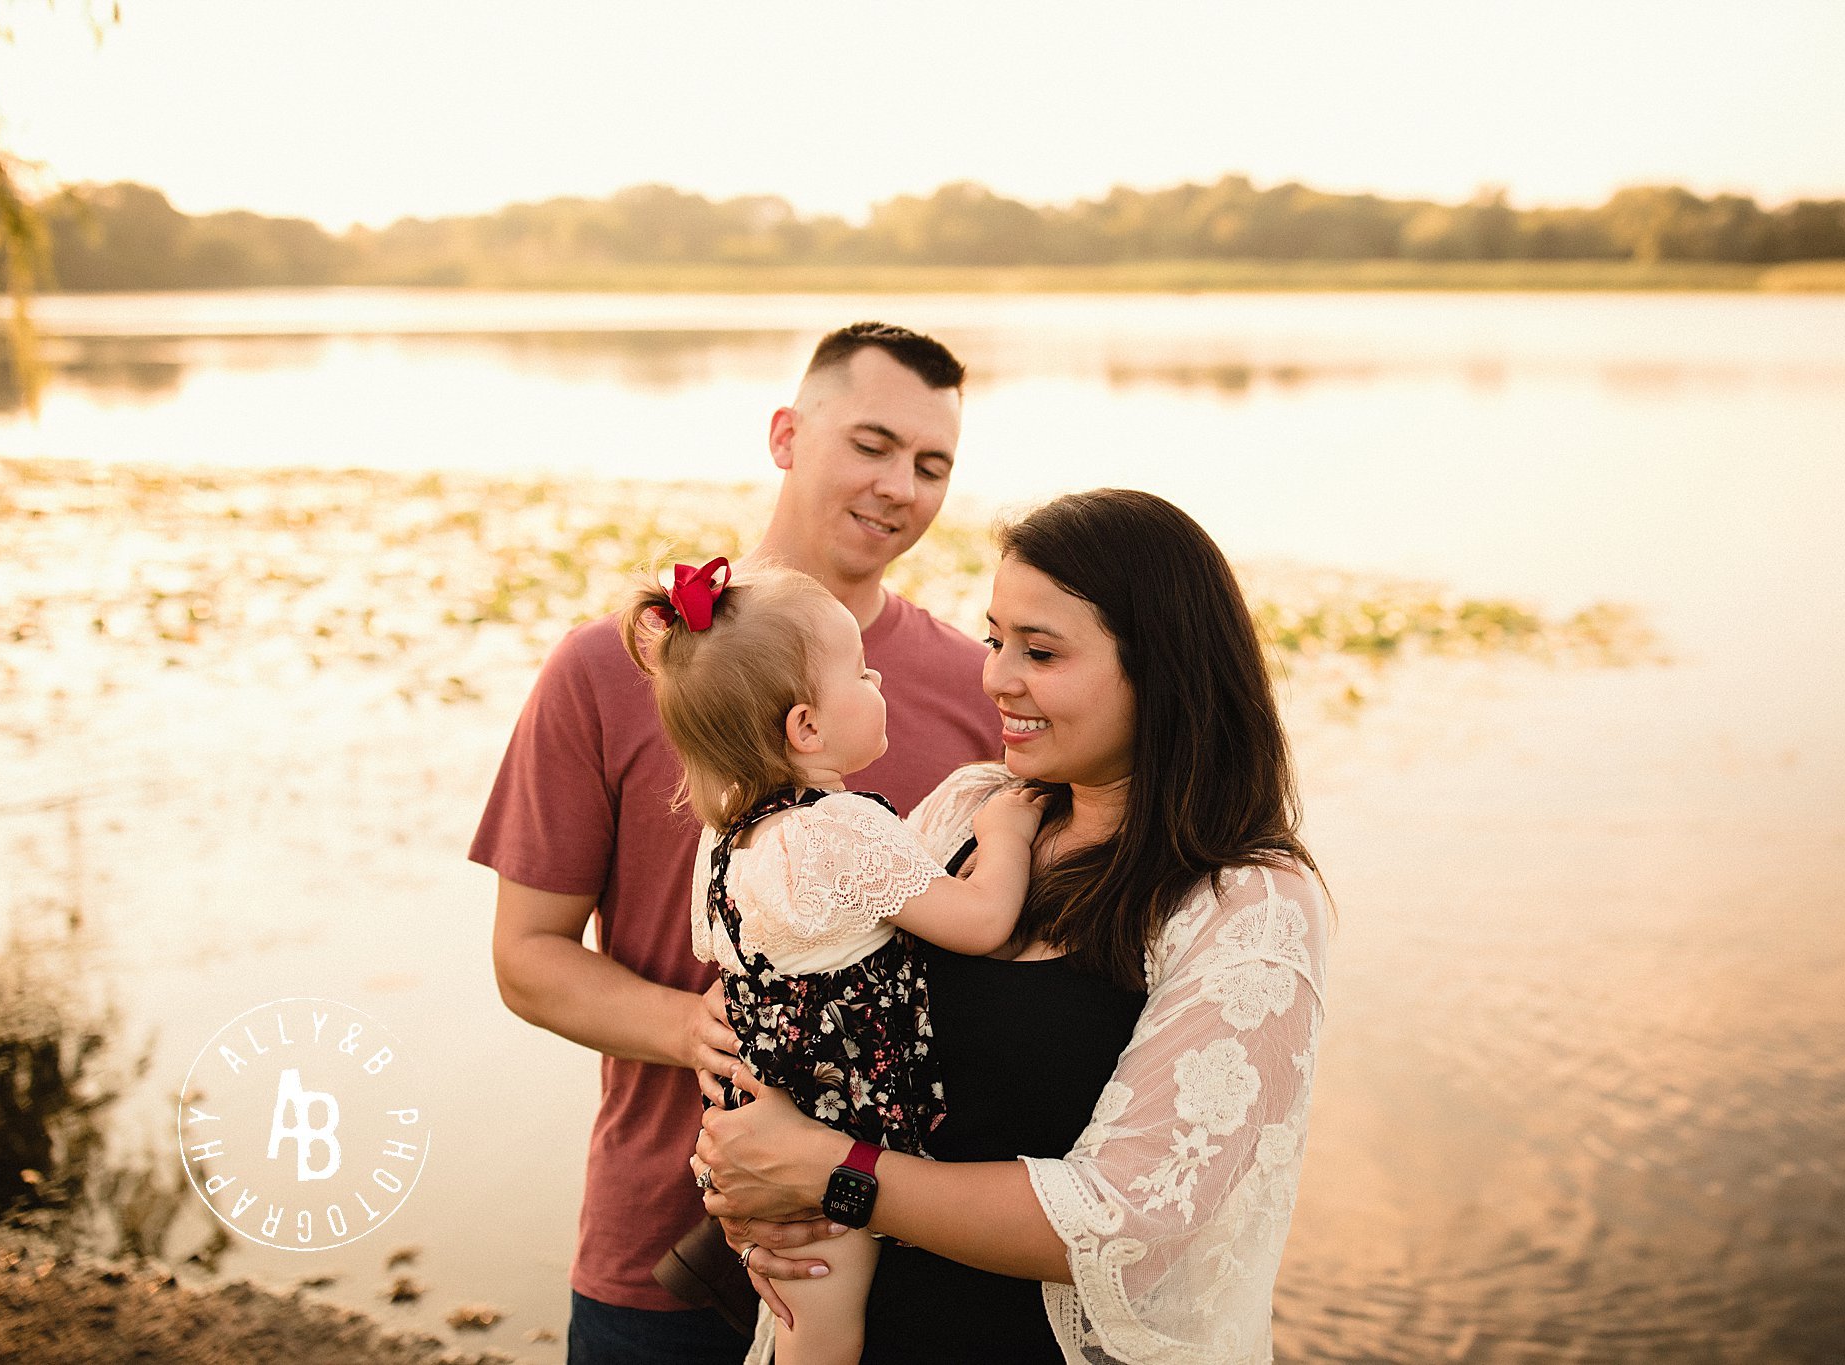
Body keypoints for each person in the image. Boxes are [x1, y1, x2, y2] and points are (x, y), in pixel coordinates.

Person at [694, 488, 1331, 1365]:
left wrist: (834, 1174)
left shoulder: (1244, 906)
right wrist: (743, 1133)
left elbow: (1124, 1221)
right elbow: (810, 971)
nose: (995, 676)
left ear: (1165, 670)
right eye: (995, 639)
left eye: (1040, 651)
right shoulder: (972, 806)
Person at [472, 323, 1000, 1364]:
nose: (900, 486)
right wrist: (695, 1028)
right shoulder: (611, 667)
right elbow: (525, 958)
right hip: (659, 1258)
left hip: (905, 1247)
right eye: (872, 444)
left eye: (931, 464)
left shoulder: (971, 685)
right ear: (785, 436)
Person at [616, 557, 1048, 1364]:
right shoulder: (839, 828)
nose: (879, 677)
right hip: (841, 1120)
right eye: (861, 670)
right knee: (826, 1336)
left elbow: (739, 965)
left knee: (801, 1323)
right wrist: (1007, 834)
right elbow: (982, 920)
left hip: (766, 1111)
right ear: (807, 727)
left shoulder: (728, 839)